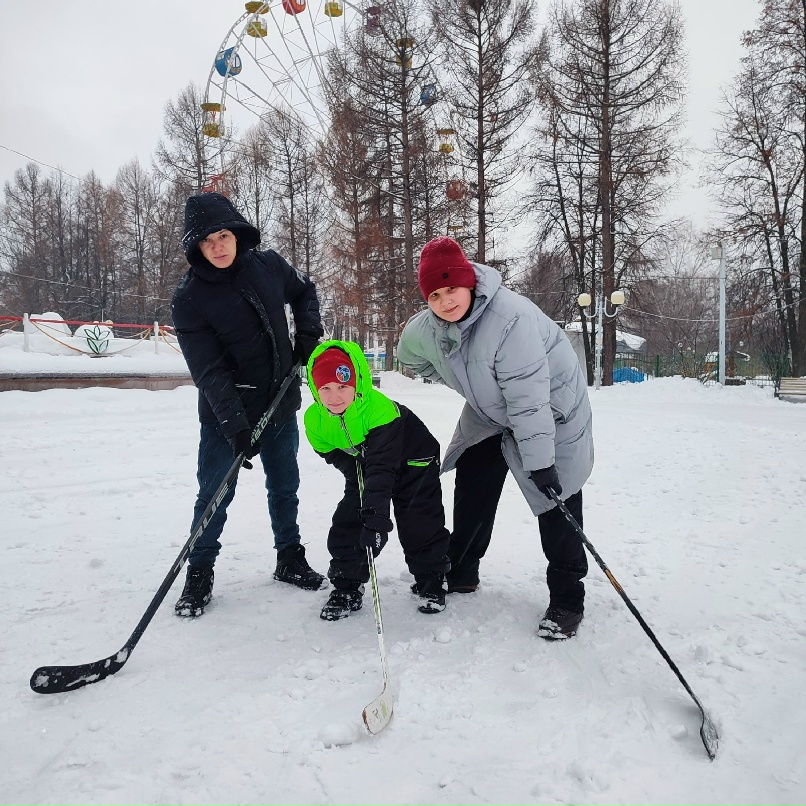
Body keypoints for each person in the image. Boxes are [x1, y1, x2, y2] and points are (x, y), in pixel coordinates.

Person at [396, 236, 594, 639]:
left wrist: (540, 463)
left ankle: (567, 598)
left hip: (553, 411)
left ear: (469, 281)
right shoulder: (428, 328)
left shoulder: (511, 320)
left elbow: (527, 399)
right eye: (434, 294)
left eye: (452, 288)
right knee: (474, 478)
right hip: (492, 412)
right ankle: (463, 570)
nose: (446, 301)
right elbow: (408, 354)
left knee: (556, 497)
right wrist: (458, 382)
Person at [171, 191, 326, 617]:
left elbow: (304, 291)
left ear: (237, 233)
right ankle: (199, 571)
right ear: (196, 247)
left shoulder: (269, 265)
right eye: (207, 241)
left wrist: (308, 333)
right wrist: (236, 424)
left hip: (280, 404)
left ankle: (289, 557)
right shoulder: (189, 299)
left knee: (285, 486)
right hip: (227, 416)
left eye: (223, 235)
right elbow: (208, 370)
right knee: (215, 494)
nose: (218, 246)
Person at [303, 340, 451, 620]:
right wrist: (361, 490)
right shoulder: (315, 421)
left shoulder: (379, 411)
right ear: (315, 388)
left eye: (343, 387)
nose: (335, 397)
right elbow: (335, 455)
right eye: (326, 388)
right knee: (350, 517)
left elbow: (383, 468)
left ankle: (430, 580)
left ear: (356, 383)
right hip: (367, 464)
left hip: (414, 460)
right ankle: (346, 585)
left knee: (419, 518)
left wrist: (377, 518)